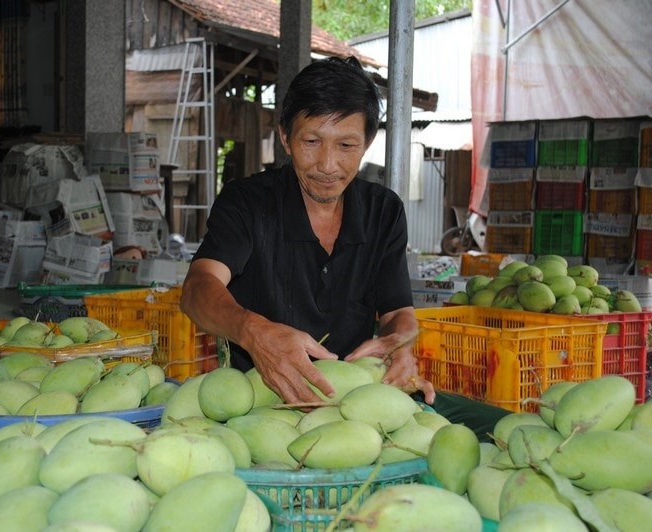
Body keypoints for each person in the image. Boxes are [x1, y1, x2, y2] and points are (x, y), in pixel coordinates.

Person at [180, 56, 508, 439]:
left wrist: (399, 343)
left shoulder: (382, 211)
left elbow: (397, 311)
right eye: (312, 141)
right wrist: (254, 332)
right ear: (285, 136)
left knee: (506, 430)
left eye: (347, 144)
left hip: (360, 400)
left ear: (367, 142)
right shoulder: (248, 203)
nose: (327, 165)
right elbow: (197, 288)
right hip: (265, 403)